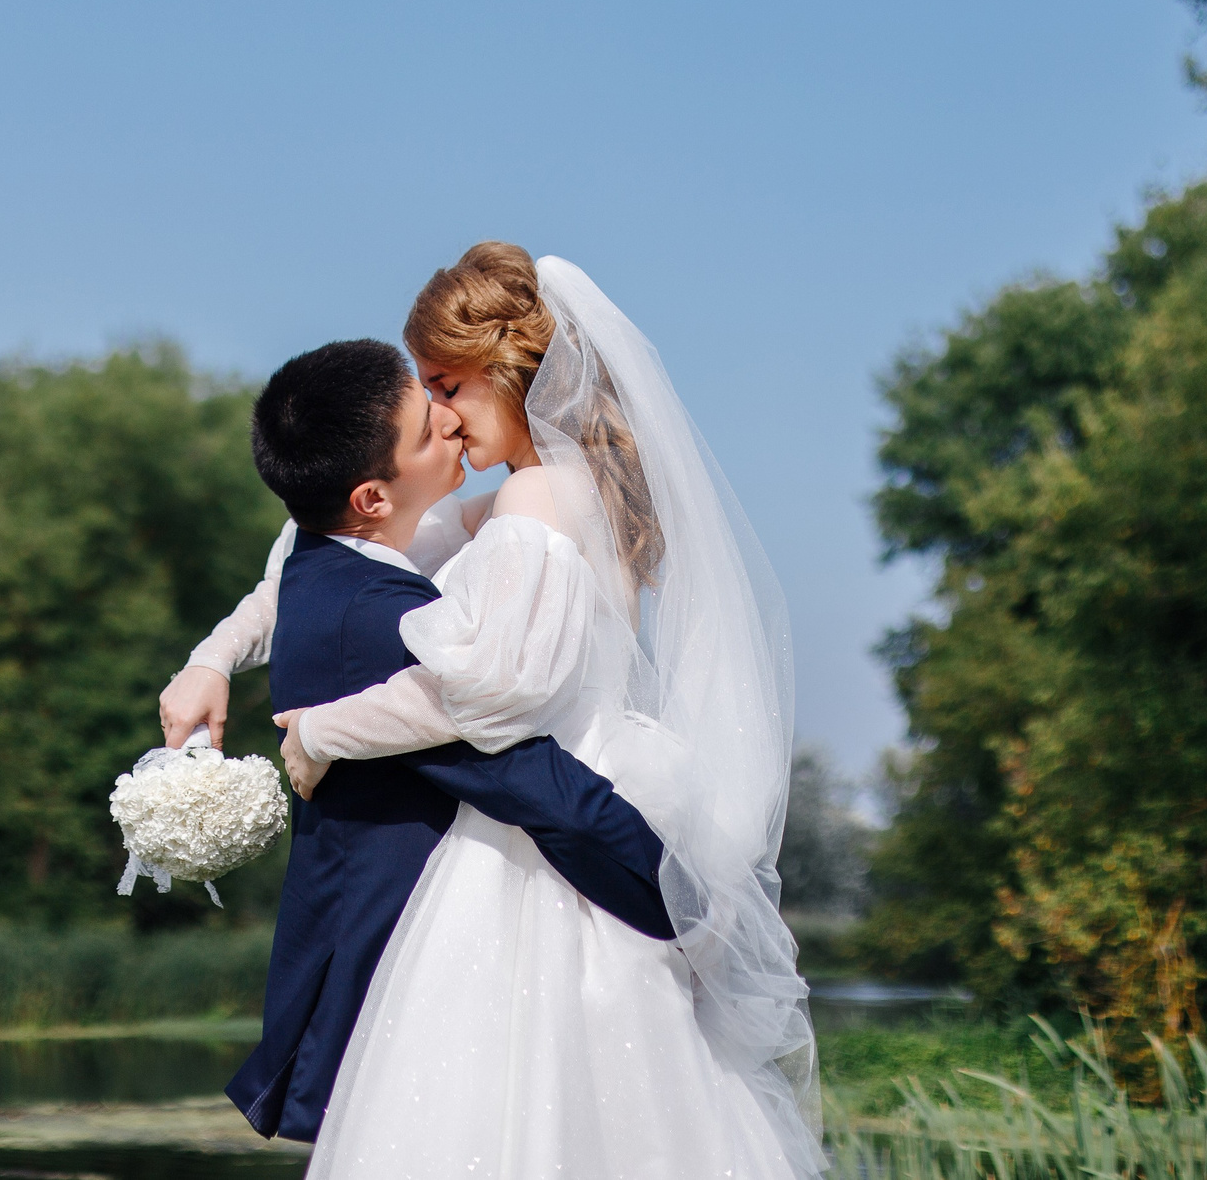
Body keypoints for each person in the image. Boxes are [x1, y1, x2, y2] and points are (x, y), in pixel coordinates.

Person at [164, 245, 822, 1179]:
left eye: (448, 384)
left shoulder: (533, 497)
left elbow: (488, 687)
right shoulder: (561, 493)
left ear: (513, 376)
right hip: (585, 800)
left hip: (533, 855)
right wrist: (215, 655)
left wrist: (318, 729)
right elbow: (328, 558)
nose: (439, 412)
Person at [165, 338, 679, 1146]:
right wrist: (682, 902)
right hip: (398, 962)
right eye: (426, 418)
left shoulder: (321, 560)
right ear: (371, 494)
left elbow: (276, 591)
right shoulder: (387, 623)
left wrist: (209, 659)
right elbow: (535, 784)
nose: (447, 416)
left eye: (442, 389)